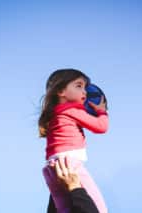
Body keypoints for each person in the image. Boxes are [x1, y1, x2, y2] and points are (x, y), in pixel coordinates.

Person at [39, 68, 108, 212]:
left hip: (52, 168)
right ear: (61, 91)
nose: (85, 92)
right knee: (99, 208)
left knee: (65, 209)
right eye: (79, 86)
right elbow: (101, 127)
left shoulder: (55, 115)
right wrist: (102, 111)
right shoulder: (71, 110)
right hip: (70, 165)